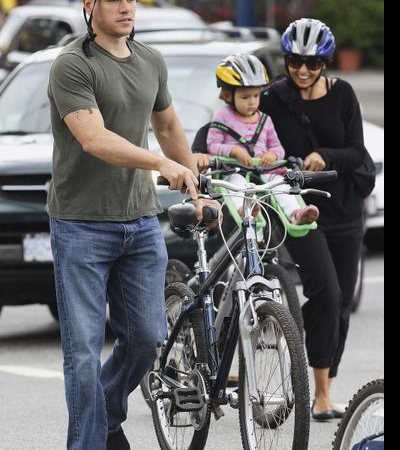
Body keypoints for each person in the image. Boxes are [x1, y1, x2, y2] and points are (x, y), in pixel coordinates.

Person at [47, 1, 218, 449]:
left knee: (146, 338)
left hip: (140, 222)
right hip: (81, 224)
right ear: (89, 5)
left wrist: (196, 190)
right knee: (83, 353)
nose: (126, 7)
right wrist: (160, 163)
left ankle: (102, 419)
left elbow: (168, 126)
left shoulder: (150, 60)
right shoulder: (72, 64)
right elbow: (94, 139)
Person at [260, 18, 371, 422]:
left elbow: (357, 152)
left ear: (326, 62)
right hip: (298, 211)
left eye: (313, 62)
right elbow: (239, 126)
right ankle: (320, 396)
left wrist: (326, 155)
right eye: (294, 61)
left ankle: (308, 362)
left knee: (339, 303)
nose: (303, 70)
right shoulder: (272, 98)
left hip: (344, 211)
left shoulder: (343, 95)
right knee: (325, 291)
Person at [207, 53, 319, 225]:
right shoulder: (222, 116)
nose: (252, 102)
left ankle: (296, 214)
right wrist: (234, 151)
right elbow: (212, 144)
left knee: (280, 184)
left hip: (264, 170)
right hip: (235, 170)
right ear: (228, 95)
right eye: (245, 97)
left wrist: (273, 155)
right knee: (238, 184)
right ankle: (245, 210)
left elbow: (278, 148)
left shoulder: (265, 120)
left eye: (256, 96)